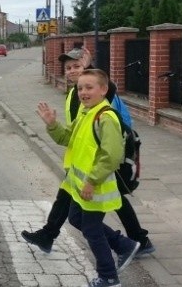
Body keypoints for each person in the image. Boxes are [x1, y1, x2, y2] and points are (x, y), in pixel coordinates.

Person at [21, 47, 154, 256]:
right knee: (85, 200)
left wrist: (90, 66)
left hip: (106, 154)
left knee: (108, 200)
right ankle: (50, 233)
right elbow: (75, 131)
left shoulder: (94, 90)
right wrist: (53, 125)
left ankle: (134, 243)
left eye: (77, 66)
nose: (72, 71)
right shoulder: (76, 92)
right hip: (85, 157)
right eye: (68, 68)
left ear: (87, 67)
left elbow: (106, 95)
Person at [37, 69, 141, 287]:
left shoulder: (105, 117)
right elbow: (67, 139)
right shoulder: (86, 113)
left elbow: (111, 155)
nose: (83, 92)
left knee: (92, 230)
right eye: (80, 88)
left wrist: (92, 181)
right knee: (75, 218)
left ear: (103, 90)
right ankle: (124, 244)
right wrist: (52, 124)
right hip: (79, 186)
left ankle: (108, 275)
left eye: (89, 87)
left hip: (95, 186)